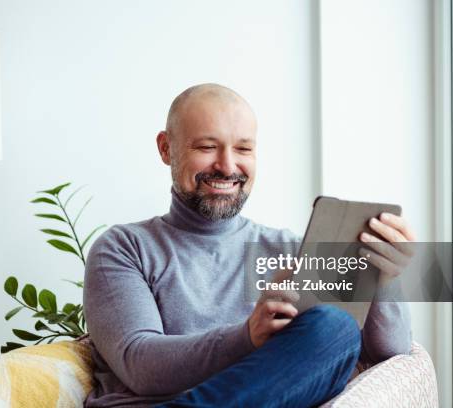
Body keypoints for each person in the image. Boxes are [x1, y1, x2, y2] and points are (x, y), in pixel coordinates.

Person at [83, 83, 413, 407]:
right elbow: (139, 365)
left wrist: (385, 278)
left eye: (243, 149)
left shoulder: (293, 251)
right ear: (166, 148)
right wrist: (247, 338)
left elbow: (390, 354)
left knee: (336, 329)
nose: (227, 166)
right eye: (206, 147)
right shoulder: (123, 248)